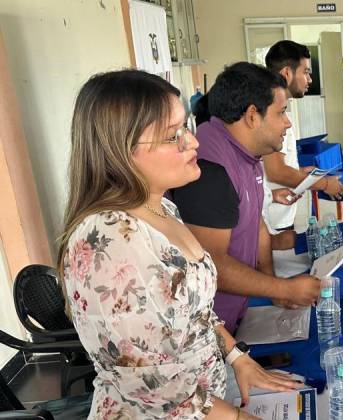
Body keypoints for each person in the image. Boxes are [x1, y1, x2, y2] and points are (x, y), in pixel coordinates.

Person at [57, 70, 301, 418]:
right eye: (174, 136)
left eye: (185, 127)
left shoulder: (161, 206)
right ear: (120, 150)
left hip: (206, 401)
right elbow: (153, 389)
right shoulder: (108, 241)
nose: (193, 142)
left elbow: (194, 310)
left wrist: (236, 356)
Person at [171, 62, 320, 333]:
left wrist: (273, 284)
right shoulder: (209, 170)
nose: (287, 122)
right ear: (253, 116)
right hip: (208, 329)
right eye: (281, 112)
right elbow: (212, 263)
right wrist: (284, 288)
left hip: (237, 313)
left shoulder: (246, 153)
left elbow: (256, 223)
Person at [263, 40, 343, 231]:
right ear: (287, 73)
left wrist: (300, 171)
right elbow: (276, 171)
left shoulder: (279, 109)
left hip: (279, 210)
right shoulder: (270, 112)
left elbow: (276, 165)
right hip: (272, 218)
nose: (310, 79)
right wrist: (325, 184)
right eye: (306, 72)